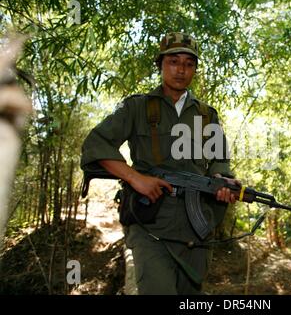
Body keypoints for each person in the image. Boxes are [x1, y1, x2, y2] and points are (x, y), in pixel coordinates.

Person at [80, 32, 240, 294]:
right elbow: (95, 144)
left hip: (196, 227)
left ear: (195, 70)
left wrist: (223, 181)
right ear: (161, 65)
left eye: (189, 64)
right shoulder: (137, 107)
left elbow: (220, 161)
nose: (181, 70)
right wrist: (135, 178)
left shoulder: (207, 115)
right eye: (173, 61)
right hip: (150, 222)